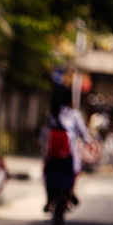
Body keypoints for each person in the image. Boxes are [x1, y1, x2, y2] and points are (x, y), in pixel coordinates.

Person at [40, 84, 93, 212]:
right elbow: (83, 133)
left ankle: (49, 200)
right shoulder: (74, 114)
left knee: (47, 173)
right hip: (69, 153)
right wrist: (89, 143)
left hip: (52, 152)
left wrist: (42, 147)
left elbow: (44, 135)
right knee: (75, 171)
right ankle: (69, 194)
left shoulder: (51, 114)